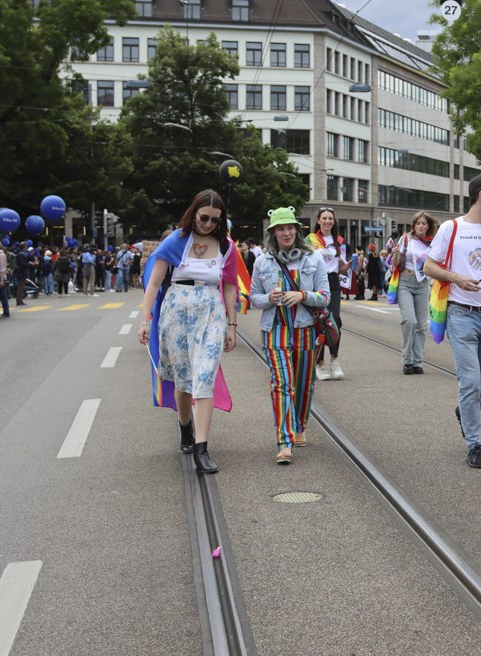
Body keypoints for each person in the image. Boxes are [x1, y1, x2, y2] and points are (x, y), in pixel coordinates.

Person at [138, 189, 239, 474]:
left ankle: (201, 449)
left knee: (204, 376)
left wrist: (232, 325)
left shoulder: (226, 246)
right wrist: (146, 322)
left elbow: (230, 285)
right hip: (176, 312)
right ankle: (185, 426)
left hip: (211, 312)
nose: (208, 224)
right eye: (204, 218)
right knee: (184, 381)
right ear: (193, 213)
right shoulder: (176, 240)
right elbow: (154, 284)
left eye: (215, 221)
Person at [424, 173, 481, 469]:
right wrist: (457, 278)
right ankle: (474, 444)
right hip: (460, 314)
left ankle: (466, 410)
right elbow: (428, 266)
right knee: (470, 381)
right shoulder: (452, 228)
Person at [250, 207, 330, 465]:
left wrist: (303, 295)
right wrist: (268, 298)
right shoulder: (263, 262)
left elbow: (325, 297)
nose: (285, 232)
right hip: (275, 330)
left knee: (304, 384)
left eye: (289, 227)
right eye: (280, 229)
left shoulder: (314, 259)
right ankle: (284, 442)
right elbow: (253, 298)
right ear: (273, 232)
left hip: (305, 329)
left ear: (296, 230)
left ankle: (299, 424)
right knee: (282, 384)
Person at [392, 212, 438, 374]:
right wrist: (396, 253)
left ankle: (418, 361)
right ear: (413, 225)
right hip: (405, 281)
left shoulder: (432, 243)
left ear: (428, 226)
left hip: (422, 284)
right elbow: (395, 264)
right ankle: (407, 359)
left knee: (420, 324)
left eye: (424, 223)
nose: (421, 226)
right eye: (418, 223)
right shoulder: (406, 239)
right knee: (409, 320)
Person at [307, 208, 349, 380]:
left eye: (330, 218)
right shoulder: (309, 240)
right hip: (316, 281)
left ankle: (334, 360)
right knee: (319, 322)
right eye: (324, 218)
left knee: (335, 320)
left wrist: (352, 266)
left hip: (333, 282)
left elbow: (341, 268)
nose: (327, 221)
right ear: (318, 220)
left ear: (334, 221)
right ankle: (320, 363)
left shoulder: (339, 241)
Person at [0, 244, 8, 318]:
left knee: (2, 295)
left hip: (0, 277)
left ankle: (6, 312)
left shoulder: (1, 255)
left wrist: (1, 279)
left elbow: (2, 268)